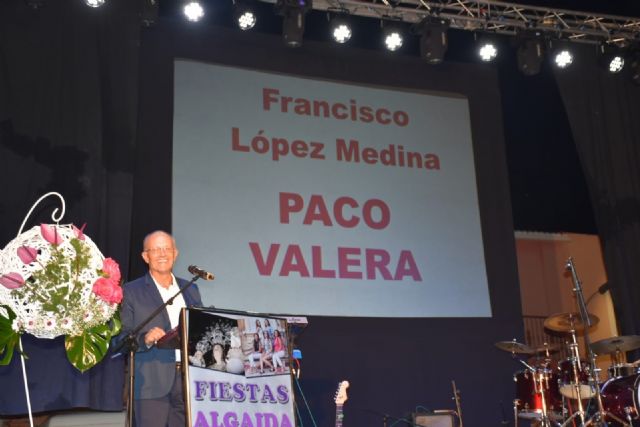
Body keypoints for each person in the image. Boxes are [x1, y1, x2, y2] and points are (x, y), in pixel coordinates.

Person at [120, 230, 203, 427]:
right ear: (145, 256)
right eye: (156, 250)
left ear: (175, 253)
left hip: (187, 381)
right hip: (151, 383)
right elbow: (121, 339)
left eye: (167, 248)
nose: (162, 254)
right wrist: (145, 338)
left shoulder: (190, 289)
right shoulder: (131, 291)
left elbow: (198, 331)